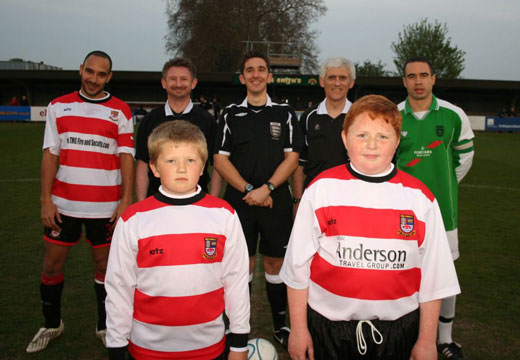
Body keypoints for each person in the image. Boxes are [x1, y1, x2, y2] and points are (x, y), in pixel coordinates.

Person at [280, 94, 460, 360]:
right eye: (361, 135)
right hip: (328, 327)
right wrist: (298, 329)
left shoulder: (420, 198)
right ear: (344, 139)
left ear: (398, 141)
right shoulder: (321, 189)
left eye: (383, 137)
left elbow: (435, 278)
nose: (372, 145)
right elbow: (297, 268)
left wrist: (426, 341)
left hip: (399, 329)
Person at [105, 120, 250, 360]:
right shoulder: (134, 220)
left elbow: (236, 282)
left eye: (190, 160)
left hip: (209, 347)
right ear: (154, 167)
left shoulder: (224, 215)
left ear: (203, 166)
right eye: (171, 161)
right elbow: (119, 287)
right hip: (146, 349)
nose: (181, 169)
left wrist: (239, 343)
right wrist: (116, 347)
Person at [26, 50, 135, 353]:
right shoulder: (58, 106)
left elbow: (126, 157)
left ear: (109, 77)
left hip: (105, 208)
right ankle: (51, 324)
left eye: (101, 74)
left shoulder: (122, 111)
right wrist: (45, 201)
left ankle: (104, 325)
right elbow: (51, 154)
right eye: (90, 71)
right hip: (64, 205)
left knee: (105, 267)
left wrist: (126, 199)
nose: (94, 79)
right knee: (51, 265)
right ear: (80, 70)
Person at [213, 51, 304, 350]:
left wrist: (267, 188)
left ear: (269, 76)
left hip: (275, 198)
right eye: (249, 70)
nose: (255, 74)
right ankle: (240, 325)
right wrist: (250, 189)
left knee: (276, 262)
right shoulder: (229, 113)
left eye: (261, 69)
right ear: (242, 77)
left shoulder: (285, 113)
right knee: (244, 263)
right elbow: (219, 159)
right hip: (240, 200)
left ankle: (281, 324)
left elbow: (292, 158)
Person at [397, 57, 474, 360]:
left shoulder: (454, 115)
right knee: (404, 269)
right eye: (411, 76)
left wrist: (444, 186)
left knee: (445, 273)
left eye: (423, 75)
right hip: (403, 213)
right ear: (404, 81)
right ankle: (408, 334)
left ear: (434, 78)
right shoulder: (394, 115)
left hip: (443, 211)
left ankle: (445, 339)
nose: (418, 81)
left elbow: (463, 157)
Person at [135, 57, 222, 201]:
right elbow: (143, 165)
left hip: (197, 202)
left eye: (184, 79)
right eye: (173, 79)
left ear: (193, 83)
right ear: (164, 83)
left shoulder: (207, 121)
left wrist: (212, 202)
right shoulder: (150, 120)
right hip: (156, 201)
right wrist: (141, 205)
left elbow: (217, 165)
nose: (178, 84)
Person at [292, 57, 355, 212]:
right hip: (315, 197)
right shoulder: (308, 117)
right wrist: (298, 200)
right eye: (332, 77)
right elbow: (300, 163)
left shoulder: (360, 116)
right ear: (322, 81)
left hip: (351, 197)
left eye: (343, 78)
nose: (337, 83)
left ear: (351, 83)